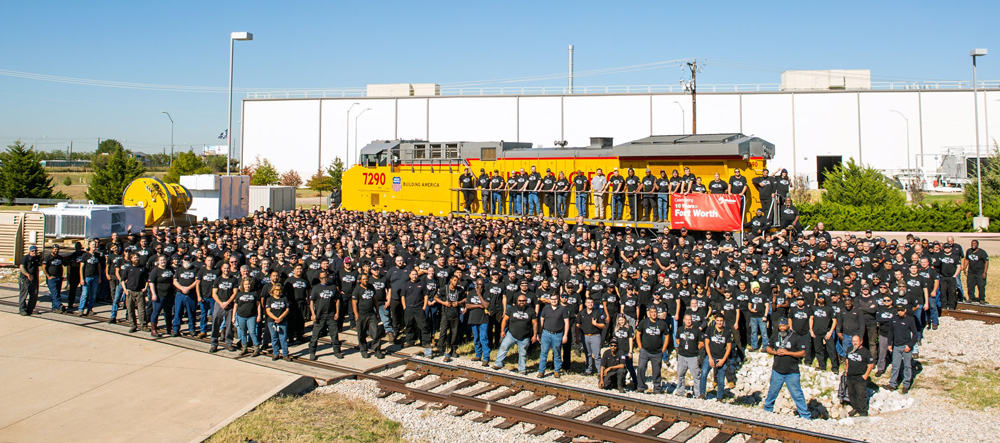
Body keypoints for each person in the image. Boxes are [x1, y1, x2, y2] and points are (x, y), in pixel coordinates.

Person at [763, 318, 811, 419]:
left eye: (784, 326)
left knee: (797, 394)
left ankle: (805, 416)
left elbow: (803, 353)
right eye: (780, 326)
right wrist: (776, 352)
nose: (782, 328)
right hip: (777, 370)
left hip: (792, 372)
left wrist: (788, 353)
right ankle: (767, 412)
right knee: (772, 392)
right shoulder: (775, 335)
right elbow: (768, 348)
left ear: (787, 326)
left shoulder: (795, 337)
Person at [493, 294, 538, 374]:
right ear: (517, 301)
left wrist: (535, 335)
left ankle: (522, 369)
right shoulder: (511, 309)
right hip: (511, 334)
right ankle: (498, 364)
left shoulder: (531, 310)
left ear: (526, 302)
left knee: (523, 353)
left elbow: (535, 323)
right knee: (503, 348)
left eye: (523, 301)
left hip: (525, 336)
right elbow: (505, 320)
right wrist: (502, 331)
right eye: (520, 301)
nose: (521, 302)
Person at [309, 271, 343, 360]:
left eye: (325, 277)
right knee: (315, 336)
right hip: (319, 316)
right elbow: (312, 301)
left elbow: (337, 300)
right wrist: (313, 314)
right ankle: (312, 352)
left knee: (334, 335)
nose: (324, 279)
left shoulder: (332, 287)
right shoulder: (316, 288)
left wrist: (337, 312)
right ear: (319, 279)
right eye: (322, 278)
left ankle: (337, 351)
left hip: (331, 315)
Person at [635, 306, 669, 393]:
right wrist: (640, 347)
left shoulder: (662, 324)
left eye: (655, 312)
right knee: (641, 368)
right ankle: (641, 386)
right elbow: (638, 334)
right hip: (645, 351)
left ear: (657, 313)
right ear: (649, 313)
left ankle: (657, 387)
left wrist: (663, 350)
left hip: (657, 352)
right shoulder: (644, 322)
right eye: (652, 312)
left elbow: (667, 336)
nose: (653, 314)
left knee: (657, 370)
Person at [886, 304, 918, 394]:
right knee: (895, 366)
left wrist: (910, 345)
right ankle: (892, 384)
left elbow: (915, 334)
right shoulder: (894, 319)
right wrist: (889, 344)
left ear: (905, 311)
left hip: (906, 346)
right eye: (898, 310)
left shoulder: (909, 320)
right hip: (896, 346)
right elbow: (891, 332)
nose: (900, 312)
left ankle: (906, 384)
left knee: (907, 366)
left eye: (902, 310)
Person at [435, 274, 466, 362]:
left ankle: (453, 349)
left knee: (454, 332)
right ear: (451, 280)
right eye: (454, 280)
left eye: (457, 281)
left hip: (455, 313)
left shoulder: (460, 290)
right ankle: (441, 347)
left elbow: (465, 298)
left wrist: (459, 302)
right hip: (445, 313)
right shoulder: (445, 289)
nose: (456, 282)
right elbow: (436, 297)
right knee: (443, 331)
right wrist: (443, 303)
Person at [538, 293, 569, 379]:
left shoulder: (563, 309)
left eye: (555, 299)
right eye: (552, 299)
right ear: (550, 300)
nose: (554, 301)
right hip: (546, 333)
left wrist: (565, 335)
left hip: (557, 334)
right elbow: (541, 320)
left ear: (558, 299)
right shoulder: (546, 308)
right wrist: (539, 332)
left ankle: (557, 371)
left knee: (557, 353)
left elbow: (566, 323)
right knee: (543, 353)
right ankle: (541, 371)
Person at [701, 314, 732, 400]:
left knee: (721, 379)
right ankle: (702, 394)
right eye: (718, 321)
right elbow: (706, 344)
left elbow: (729, 347)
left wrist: (723, 360)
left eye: (721, 321)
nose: (719, 323)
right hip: (711, 356)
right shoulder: (710, 329)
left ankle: (719, 397)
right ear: (715, 321)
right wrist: (710, 358)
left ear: (723, 321)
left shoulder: (727, 332)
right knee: (703, 374)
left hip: (721, 358)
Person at [354, 273, 385, 359]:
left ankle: (377, 349)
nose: (366, 280)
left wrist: (377, 312)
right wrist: (356, 315)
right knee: (361, 333)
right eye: (364, 279)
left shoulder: (371, 287)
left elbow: (375, 300)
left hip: (371, 314)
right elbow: (354, 303)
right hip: (361, 315)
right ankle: (363, 350)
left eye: (367, 279)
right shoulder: (357, 289)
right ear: (360, 280)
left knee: (375, 332)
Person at [843, 335, 874, 417]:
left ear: (861, 341)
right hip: (850, 376)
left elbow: (871, 364)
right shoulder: (850, 349)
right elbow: (846, 359)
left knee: (860, 394)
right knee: (851, 393)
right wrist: (846, 370)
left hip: (860, 376)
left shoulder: (865, 351)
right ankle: (855, 408)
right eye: (853, 341)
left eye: (856, 341)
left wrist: (866, 375)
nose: (855, 343)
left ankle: (863, 411)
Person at [210, 263, 238, 352]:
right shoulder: (218, 280)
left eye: (228, 268)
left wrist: (228, 302)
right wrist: (221, 303)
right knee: (215, 324)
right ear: (222, 269)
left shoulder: (233, 279)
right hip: (219, 304)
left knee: (229, 325)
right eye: (224, 268)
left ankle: (229, 343)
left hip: (229, 304)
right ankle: (214, 344)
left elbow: (235, 292)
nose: (226, 270)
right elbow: (214, 293)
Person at [674, 313, 703, 398]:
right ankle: (680, 392)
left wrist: (695, 348)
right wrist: (682, 346)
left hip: (693, 356)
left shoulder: (696, 330)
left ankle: (698, 394)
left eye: (689, 320)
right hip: (682, 355)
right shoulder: (680, 329)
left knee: (696, 375)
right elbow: (677, 340)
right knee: (680, 374)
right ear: (684, 320)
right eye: (686, 319)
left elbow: (701, 342)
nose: (688, 321)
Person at [577, 298, 606, 375]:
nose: (590, 304)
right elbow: (578, 325)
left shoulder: (597, 313)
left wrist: (596, 324)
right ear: (585, 304)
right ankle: (588, 370)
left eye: (592, 302)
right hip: (585, 336)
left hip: (595, 336)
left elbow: (603, 325)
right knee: (588, 354)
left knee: (597, 356)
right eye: (588, 302)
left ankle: (600, 372)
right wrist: (577, 337)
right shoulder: (581, 313)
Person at [233, 277, 262, 356]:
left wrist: (259, 315)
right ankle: (244, 348)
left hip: (251, 316)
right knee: (243, 333)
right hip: (241, 316)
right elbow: (235, 305)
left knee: (252, 332)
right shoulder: (239, 294)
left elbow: (258, 305)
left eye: (248, 284)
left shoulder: (254, 293)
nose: (247, 286)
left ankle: (256, 348)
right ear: (243, 285)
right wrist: (233, 317)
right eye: (246, 284)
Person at [147, 255, 174, 338]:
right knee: (156, 311)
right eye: (161, 260)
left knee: (168, 312)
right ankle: (154, 329)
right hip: (159, 295)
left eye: (164, 260)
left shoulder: (170, 269)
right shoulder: (155, 271)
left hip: (169, 295)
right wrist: (153, 294)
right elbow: (151, 283)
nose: (163, 262)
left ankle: (169, 328)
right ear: (158, 261)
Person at [121, 253, 149, 334]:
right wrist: (125, 289)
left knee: (142, 310)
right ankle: (133, 325)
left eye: (137, 257)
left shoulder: (143, 268)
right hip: (130, 292)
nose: (136, 259)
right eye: (135, 258)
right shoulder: (128, 269)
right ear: (131, 259)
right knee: (130, 310)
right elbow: (123, 280)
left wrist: (145, 288)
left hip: (139, 292)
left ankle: (144, 325)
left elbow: (148, 279)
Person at [172, 255, 199, 337]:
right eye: (185, 259)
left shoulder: (195, 269)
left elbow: (197, 281)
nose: (187, 261)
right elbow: (175, 281)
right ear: (182, 260)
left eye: (188, 259)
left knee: (191, 312)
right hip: (180, 294)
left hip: (191, 294)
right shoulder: (179, 269)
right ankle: (176, 329)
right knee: (178, 312)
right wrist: (182, 288)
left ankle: (192, 329)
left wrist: (189, 288)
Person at [265, 285, 292, 361]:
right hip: (272, 321)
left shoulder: (284, 298)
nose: (278, 291)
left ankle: (285, 354)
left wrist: (281, 318)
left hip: (283, 320)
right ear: (273, 291)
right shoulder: (269, 299)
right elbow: (268, 311)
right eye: (276, 290)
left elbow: (287, 309)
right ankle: (276, 353)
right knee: (274, 338)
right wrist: (275, 318)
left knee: (283, 338)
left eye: (279, 290)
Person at [963, 240, 988, 304]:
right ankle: (971, 298)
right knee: (970, 285)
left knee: (981, 286)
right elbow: (967, 259)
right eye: (972, 243)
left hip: (980, 272)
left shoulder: (982, 252)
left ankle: (982, 299)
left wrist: (984, 272)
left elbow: (986, 262)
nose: (973, 245)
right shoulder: (969, 251)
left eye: (974, 243)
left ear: (977, 244)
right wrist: (964, 268)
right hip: (971, 272)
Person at [42, 245, 65, 313]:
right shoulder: (48, 258)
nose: (56, 251)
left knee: (57, 293)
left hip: (59, 278)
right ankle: (59, 305)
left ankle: (54, 308)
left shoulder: (60, 258)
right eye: (55, 249)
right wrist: (48, 276)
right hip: (52, 278)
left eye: (57, 249)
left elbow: (62, 266)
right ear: (52, 250)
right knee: (55, 293)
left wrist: (62, 275)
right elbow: (44, 267)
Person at [18, 245, 41, 316]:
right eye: (32, 251)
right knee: (24, 295)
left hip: (34, 279)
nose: (34, 252)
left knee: (34, 294)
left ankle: (30, 309)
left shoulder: (37, 259)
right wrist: (27, 275)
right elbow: (21, 267)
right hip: (25, 279)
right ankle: (22, 309)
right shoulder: (25, 258)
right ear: (29, 251)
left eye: (35, 251)